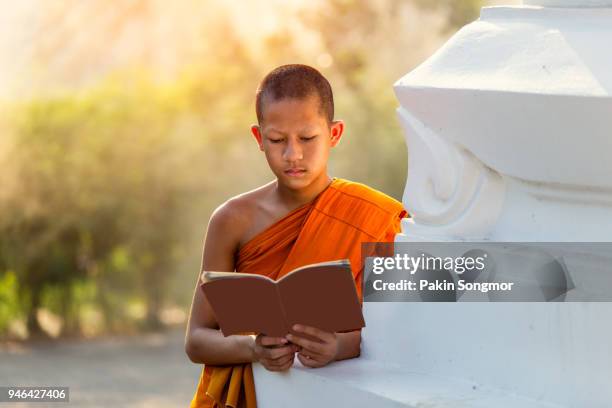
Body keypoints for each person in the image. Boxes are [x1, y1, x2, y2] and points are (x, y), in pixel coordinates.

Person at [185, 64, 407, 408]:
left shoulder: (373, 218)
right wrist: (254, 348)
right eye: (277, 140)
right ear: (259, 138)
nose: (293, 155)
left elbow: (400, 331)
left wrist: (339, 346)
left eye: (307, 138)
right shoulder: (232, 221)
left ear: (334, 134)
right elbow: (197, 340)